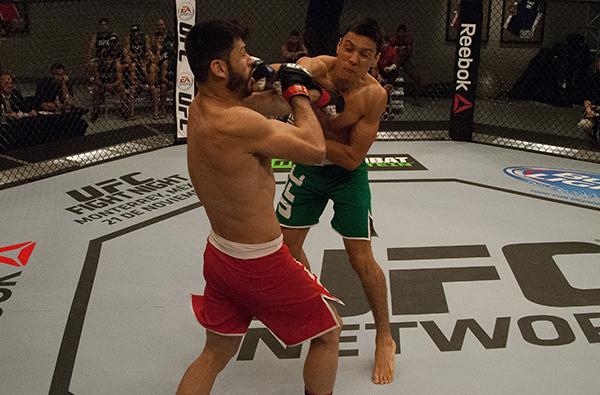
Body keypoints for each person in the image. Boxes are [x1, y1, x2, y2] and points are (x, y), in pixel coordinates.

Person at [177, 20, 343, 395]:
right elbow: (314, 148)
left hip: (221, 254)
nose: (251, 58)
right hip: (258, 264)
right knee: (329, 332)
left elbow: (260, 104)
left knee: (216, 352)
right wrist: (300, 93)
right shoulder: (234, 122)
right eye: (240, 54)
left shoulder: (205, 106)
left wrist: (293, 76)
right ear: (219, 68)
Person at [275, 17, 397, 385]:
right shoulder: (315, 68)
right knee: (286, 248)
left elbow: (351, 158)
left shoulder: (374, 96)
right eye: (349, 48)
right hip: (308, 170)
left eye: (365, 54)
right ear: (340, 44)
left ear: (375, 60)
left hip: (346, 177)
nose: (354, 59)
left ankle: (385, 336)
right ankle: (320, 306)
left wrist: (297, 134)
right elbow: (288, 73)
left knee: (361, 258)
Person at [390, 24, 421, 103]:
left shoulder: (408, 40)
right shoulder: (393, 39)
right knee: (390, 76)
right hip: (394, 61)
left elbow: (409, 53)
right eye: (399, 32)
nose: (401, 34)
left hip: (405, 61)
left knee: (416, 77)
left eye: (402, 32)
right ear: (397, 32)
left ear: (405, 33)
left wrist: (402, 51)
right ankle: (388, 96)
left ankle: (415, 98)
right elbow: (390, 51)